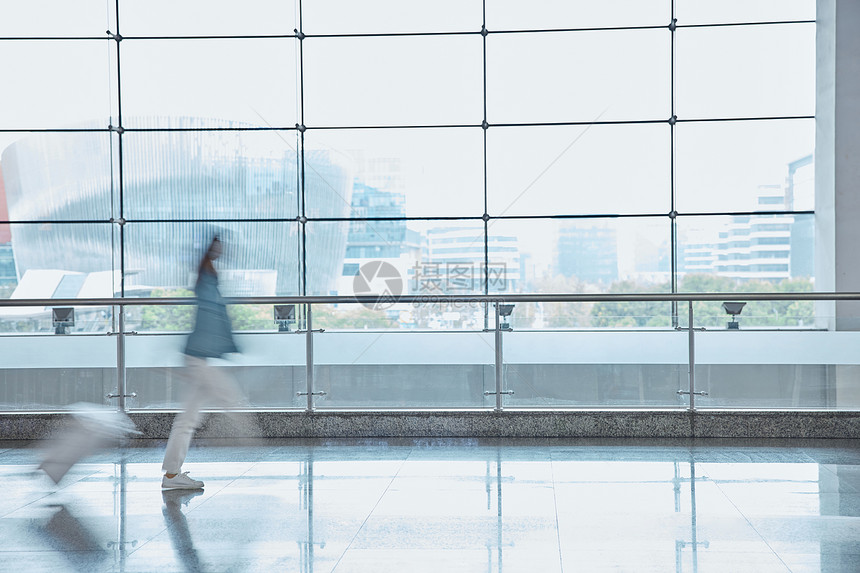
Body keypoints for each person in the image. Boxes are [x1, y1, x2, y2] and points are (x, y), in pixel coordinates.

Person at [161, 235, 247, 490]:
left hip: (198, 356)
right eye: (217, 247)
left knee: (188, 418)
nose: (221, 251)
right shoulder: (206, 280)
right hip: (199, 358)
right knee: (231, 400)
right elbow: (214, 318)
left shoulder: (208, 278)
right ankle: (252, 444)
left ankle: (172, 475)